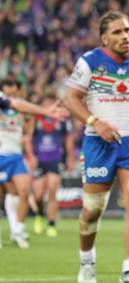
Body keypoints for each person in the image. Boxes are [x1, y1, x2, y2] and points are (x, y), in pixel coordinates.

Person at [63, 11, 129, 283]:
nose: (125, 36)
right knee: (93, 208)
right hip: (98, 141)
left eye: (127, 30)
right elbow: (70, 98)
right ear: (104, 38)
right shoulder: (90, 62)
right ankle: (86, 261)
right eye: (117, 32)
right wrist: (95, 122)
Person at [0, 79, 67, 249]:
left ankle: (18, 230)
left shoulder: (16, 107)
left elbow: (19, 108)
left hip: (15, 157)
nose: (10, 93)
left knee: (24, 191)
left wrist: (46, 112)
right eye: (8, 90)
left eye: (13, 90)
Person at [28, 92, 75, 238]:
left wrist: (70, 158)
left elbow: (68, 140)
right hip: (40, 159)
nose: (49, 106)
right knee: (38, 195)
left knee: (53, 190)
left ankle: (52, 224)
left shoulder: (62, 119)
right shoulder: (35, 119)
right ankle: (39, 216)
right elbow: (28, 138)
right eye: (46, 103)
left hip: (56, 159)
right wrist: (31, 157)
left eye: (51, 103)